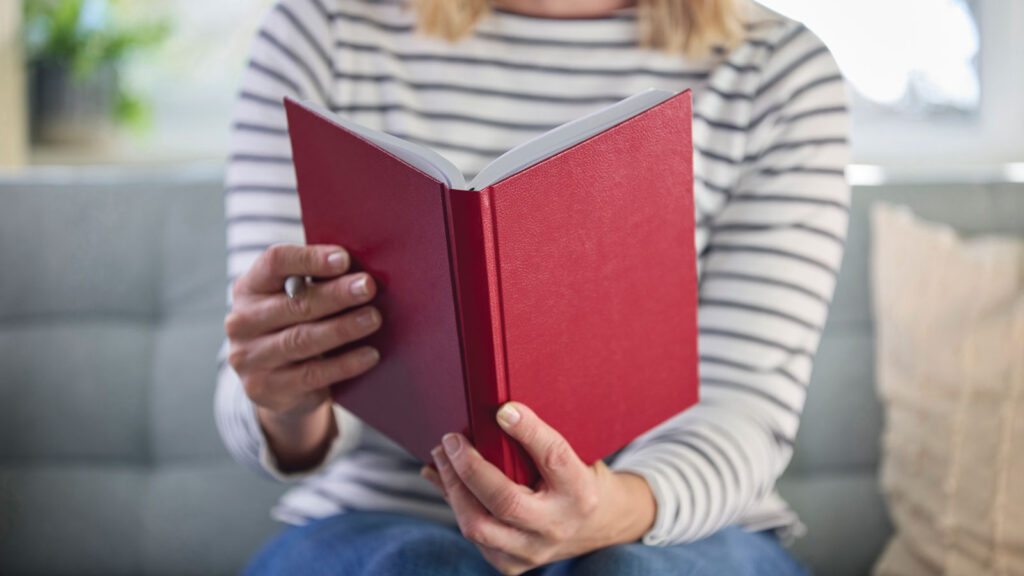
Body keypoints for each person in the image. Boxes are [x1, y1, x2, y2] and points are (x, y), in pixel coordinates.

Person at [216, 0, 850, 574]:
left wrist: (615, 510)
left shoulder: (776, 68)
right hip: (383, 519)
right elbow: (259, 379)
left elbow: (745, 407)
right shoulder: (325, 29)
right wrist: (284, 398)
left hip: (678, 524)